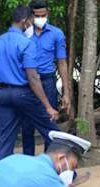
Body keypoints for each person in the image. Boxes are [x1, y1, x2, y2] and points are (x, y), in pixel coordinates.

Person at [0, 5, 59, 162]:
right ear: (25, 22)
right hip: (24, 94)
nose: (32, 25)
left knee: (5, 141)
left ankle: (0, 182)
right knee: (52, 132)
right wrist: (48, 106)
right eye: (31, 21)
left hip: (4, 94)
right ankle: (66, 172)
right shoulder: (26, 43)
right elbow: (32, 77)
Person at [22, 0, 71, 155]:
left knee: (50, 122)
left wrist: (66, 92)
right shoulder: (23, 34)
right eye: (38, 15)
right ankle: (28, 162)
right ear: (31, 16)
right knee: (27, 125)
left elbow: (62, 63)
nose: (41, 18)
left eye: (44, 15)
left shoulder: (56, 33)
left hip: (47, 81)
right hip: (27, 82)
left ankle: (49, 163)